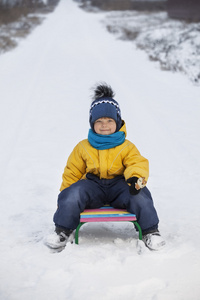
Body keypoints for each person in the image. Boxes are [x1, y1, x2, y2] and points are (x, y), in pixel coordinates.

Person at [46, 83, 165, 251]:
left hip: (120, 185)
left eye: (109, 120)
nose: (104, 125)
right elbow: (72, 173)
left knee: (140, 196)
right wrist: (65, 199)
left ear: (117, 122)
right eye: (99, 121)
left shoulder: (127, 146)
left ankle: (150, 231)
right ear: (92, 123)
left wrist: (135, 179)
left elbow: (136, 163)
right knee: (73, 193)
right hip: (92, 187)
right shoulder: (83, 147)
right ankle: (63, 230)